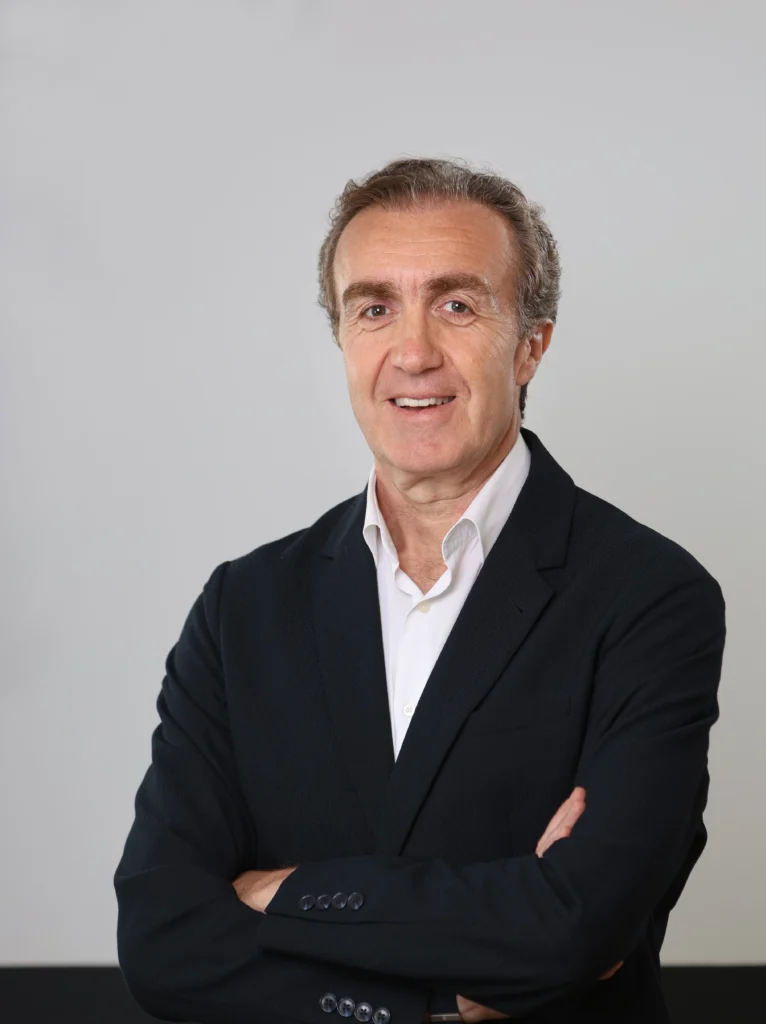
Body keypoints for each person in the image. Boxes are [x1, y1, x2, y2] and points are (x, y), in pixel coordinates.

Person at [114, 157, 727, 1024]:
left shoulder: (649, 596)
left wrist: (283, 892)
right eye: (373, 309)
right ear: (342, 339)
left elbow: (576, 925)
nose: (411, 353)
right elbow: (162, 938)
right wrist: (430, 1001)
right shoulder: (241, 608)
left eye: (456, 305)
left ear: (530, 345)